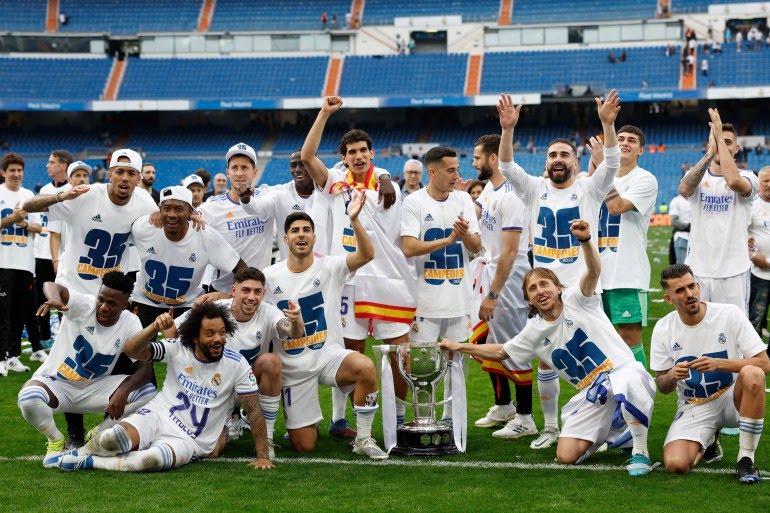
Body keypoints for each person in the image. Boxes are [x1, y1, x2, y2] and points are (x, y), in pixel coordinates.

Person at [440, 219, 655, 476]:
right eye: (532, 289)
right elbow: (501, 351)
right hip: (594, 392)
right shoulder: (533, 330)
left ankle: (640, 451)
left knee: (628, 380)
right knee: (566, 455)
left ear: (558, 288)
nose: (540, 291)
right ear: (529, 300)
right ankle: (615, 433)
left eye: (544, 284)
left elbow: (593, 272)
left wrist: (586, 241)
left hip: (624, 375)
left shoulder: (578, 300)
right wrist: (459, 346)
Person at [498, 90, 622, 449]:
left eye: (564, 155)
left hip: (582, 290)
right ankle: (550, 427)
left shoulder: (589, 188)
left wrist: (607, 124)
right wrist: (508, 130)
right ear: (545, 162)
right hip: (544, 293)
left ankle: (613, 422)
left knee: (596, 356)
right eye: (552, 155)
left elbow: (612, 162)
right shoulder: (534, 189)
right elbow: (506, 166)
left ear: (575, 162)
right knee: (545, 360)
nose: (557, 160)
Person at [24, 148, 157, 448]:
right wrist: (62, 195)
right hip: (73, 294)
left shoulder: (144, 202)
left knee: (121, 358)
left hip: (110, 294)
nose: (124, 178)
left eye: (131, 173)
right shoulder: (86, 195)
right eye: (119, 172)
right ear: (109, 174)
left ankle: (107, 427)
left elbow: (162, 225)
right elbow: (28, 205)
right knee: (76, 365)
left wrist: (190, 218)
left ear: (138, 178)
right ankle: (74, 432)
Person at [301, 96, 411, 435]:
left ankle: (400, 420)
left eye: (363, 150)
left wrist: (386, 177)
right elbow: (307, 157)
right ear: (344, 158)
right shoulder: (335, 183)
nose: (359, 155)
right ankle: (348, 420)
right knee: (352, 352)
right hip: (347, 280)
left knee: (400, 353)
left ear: (372, 153)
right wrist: (324, 113)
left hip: (386, 279)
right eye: (352, 152)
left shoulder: (388, 186)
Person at [58, 301, 274, 472]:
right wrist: (154, 327)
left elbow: (253, 409)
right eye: (210, 334)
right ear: (195, 337)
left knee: (151, 461)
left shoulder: (236, 364)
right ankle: (79, 453)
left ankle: (90, 462)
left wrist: (263, 457)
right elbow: (132, 350)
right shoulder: (177, 348)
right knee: (110, 439)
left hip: (190, 439)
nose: (218, 339)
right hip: (157, 416)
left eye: (222, 332)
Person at [263, 201, 389, 460]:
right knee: (304, 445)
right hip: (293, 367)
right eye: (295, 231)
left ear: (314, 237)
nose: (301, 235)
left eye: (306, 230)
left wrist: (354, 220)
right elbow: (247, 297)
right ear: (285, 239)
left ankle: (364, 439)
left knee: (365, 367)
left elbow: (367, 254)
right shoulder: (269, 276)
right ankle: (302, 422)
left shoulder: (330, 266)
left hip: (327, 355)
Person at [16, 272, 156, 467]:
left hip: (94, 387)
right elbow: (51, 285)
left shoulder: (130, 322)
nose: (104, 307)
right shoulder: (85, 305)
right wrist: (55, 299)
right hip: (58, 384)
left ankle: (99, 433)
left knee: (147, 392)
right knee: (28, 397)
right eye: (101, 299)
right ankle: (56, 440)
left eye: (112, 303)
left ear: (125, 305)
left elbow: (146, 369)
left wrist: (123, 391)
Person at [651, 264, 769, 482]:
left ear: (698, 286)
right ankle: (708, 440)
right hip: (695, 404)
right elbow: (663, 386)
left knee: (753, 373)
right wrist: (672, 376)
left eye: (691, 286)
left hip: (733, 397)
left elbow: (764, 364)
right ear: (669, 299)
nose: (689, 294)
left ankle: (746, 459)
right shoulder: (663, 328)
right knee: (676, 464)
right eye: (680, 291)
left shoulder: (729, 314)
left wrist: (720, 364)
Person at [169, 267, 302, 453]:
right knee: (212, 451)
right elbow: (173, 330)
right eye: (245, 290)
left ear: (263, 294)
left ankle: (267, 438)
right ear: (233, 291)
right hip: (214, 389)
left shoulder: (268, 311)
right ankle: (229, 418)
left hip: (250, 386)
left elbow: (293, 332)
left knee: (271, 361)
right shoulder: (215, 310)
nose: (251, 297)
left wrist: (296, 321)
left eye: (257, 292)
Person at [401, 145, 482, 423]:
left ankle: (452, 419)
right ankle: (424, 419)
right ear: (433, 172)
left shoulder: (463, 199)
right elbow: (409, 247)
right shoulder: (414, 202)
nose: (456, 175)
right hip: (426, 300)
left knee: (457, 363)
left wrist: (464, 235)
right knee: (423, 365)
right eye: (450, 170)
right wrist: (447, 240)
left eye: (457, 169)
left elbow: (476, 246)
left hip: (459, 298)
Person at [468, 134, 534, 439]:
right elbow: (473, 217)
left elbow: (509, 252)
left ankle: (526, 417)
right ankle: (503, 405)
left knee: (513, 348)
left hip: (508, 281)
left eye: (477, 157)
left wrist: (493, 294)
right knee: (486, 343)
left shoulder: (512, 195)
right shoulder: (489, 190)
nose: (473, 163)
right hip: (488, 273)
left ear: (493, 159)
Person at [588, 126, 658, 367]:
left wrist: (603, 169)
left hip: (627, 274)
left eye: (632, 140)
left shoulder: (645, 179)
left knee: (629, 339)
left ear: (641, 150)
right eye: (620, 139)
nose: (625, 143)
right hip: (595, 275)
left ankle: (640, 388)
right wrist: (598, 169)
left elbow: (616, 207)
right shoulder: (599, 177)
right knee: (599, 341)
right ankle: (609, 387)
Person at [129, 186, 246, 330]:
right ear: (159, 210)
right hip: (145, 300)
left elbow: (240, 267)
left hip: (187, 304)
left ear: (190, 212)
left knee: (191, 344)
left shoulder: (205, 235)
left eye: (179, 209)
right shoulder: (144, 228)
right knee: (136, 342)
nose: (172, 214)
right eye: (166, 209)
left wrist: (233, 296)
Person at [679, 109, 757, 312]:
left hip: (734, 270)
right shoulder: (696, 175)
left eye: (728, 142)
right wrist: (710, 152)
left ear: (737, 148)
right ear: (708, 146)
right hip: (698, 268)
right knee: (698, 323)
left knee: (733, 325)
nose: (721, 144)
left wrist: (719, 139)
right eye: (715, 140)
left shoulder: (749, 176)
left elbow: (733, 181)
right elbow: (685, 189)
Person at [197, 143, 277, 293]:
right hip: (222, 291)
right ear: (228, 172)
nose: (239, 173)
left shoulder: (266, 198)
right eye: (234, 168)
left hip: (258, 291)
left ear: (254, 172)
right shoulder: (213, 206)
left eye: (245, 168)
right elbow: (188, 222)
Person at [0, 153, 44, 375]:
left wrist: (23, 223)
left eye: (19, 171)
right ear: (3, 172)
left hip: (25, 263)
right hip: (3, 262)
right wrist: (11, 219)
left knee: (19, 312)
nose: (16, 174)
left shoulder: (29, 195)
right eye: (12, 171)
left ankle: (13, 357)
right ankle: (1, 357)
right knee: (2, 312)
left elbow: (39, 227)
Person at [35, 150, 73, 353]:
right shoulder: (44, 190)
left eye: (51, 162)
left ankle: (64, 337)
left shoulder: (71, 191)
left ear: (63, 165)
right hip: (42, 253)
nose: (47, 165)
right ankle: (45, 338)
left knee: (63, 297)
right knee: (42, 297)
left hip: (63, 255)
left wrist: (57, 258)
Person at [269, 150, 315, 261]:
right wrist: (247, 201)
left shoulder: (329, 192)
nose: (297, 170)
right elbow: (255, 206)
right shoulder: (281, 194)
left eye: (303, 164)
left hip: (322, 267)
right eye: (293, 165)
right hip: (289, 266)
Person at [48, 161, 92, 274]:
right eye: (77, 175)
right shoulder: (62, 200)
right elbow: (55, 234)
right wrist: (55, 261)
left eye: (85, 176)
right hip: (70, 260)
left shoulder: (97, 199)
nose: (82, 179)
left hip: (92, 262)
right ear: (69, 180)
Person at [748, 167, 770, 337]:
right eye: (766, 181)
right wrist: (753, 254)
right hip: (759, 274)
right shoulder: (751, 205)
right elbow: (739, 234)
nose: (769, 184)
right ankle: (755, 353)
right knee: (755, 319)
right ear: (759, 183)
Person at [669, 191, 691, 265]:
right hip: (682, 236)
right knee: (682, 266)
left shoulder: (696, 199)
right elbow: (674, 221)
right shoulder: (676, 201)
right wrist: (688, 226)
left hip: (697, 238)